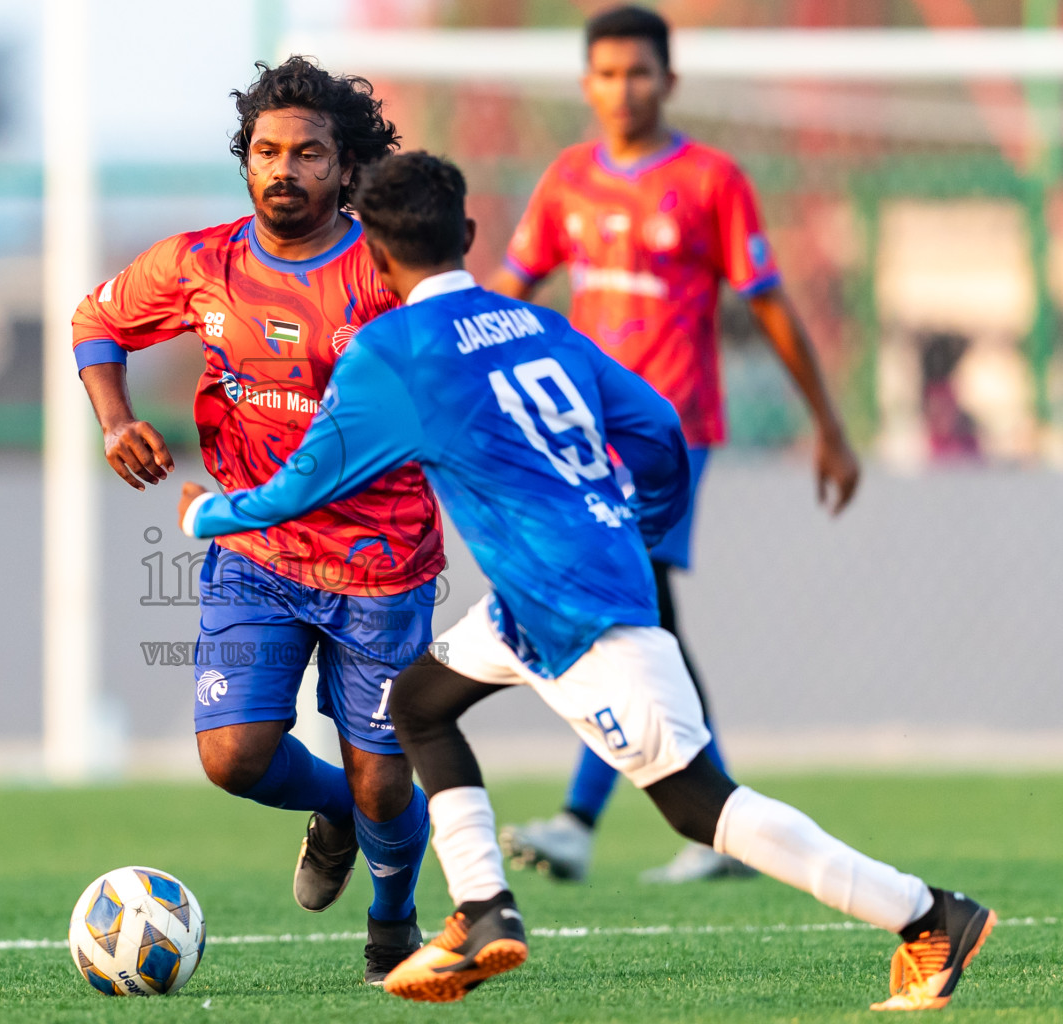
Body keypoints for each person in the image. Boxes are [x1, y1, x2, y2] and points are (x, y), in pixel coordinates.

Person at [177, 151, 993, 1011]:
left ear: (375, 259)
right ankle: (483, 910)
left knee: (697, 805)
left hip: (573, 607)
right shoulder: (537, 324)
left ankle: (928, 913)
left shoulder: (394, 349)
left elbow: (312, 480)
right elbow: (657, 427)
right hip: (550, 591)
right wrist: (635, 522)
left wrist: (209, 517)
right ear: (469, 235)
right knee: (418, 702)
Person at [70, 57, 440, 984]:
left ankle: (392, 920)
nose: (284, 169)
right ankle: (340, 814)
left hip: (381, 566)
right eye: (267, 151)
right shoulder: (205, 263)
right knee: (234, 757)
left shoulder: (389, 269)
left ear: (346, 168)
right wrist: (115, 420)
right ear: (247, 160)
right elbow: (96, 321)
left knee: (386, 775)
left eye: (308, 154)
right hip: (255, 552)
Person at [487, 4, 862, 885]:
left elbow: (768, 303)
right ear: (588, 85)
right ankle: (715, 821)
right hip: (582, 435)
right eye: (608, 74)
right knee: (645, 618)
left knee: (629, 610)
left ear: (671, 80)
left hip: (669, 434)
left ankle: (586, 820)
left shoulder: (710, 181)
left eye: (641, 72)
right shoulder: (569, 179)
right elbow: (513, 286)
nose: (625, 89)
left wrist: (830, 425)